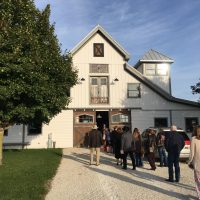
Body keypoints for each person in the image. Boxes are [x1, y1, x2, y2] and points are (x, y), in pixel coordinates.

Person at [188, 125, 200, 199]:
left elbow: (192, 153)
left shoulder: (194, 139)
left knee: (198, 181)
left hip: (198, 164)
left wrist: (189, 162)